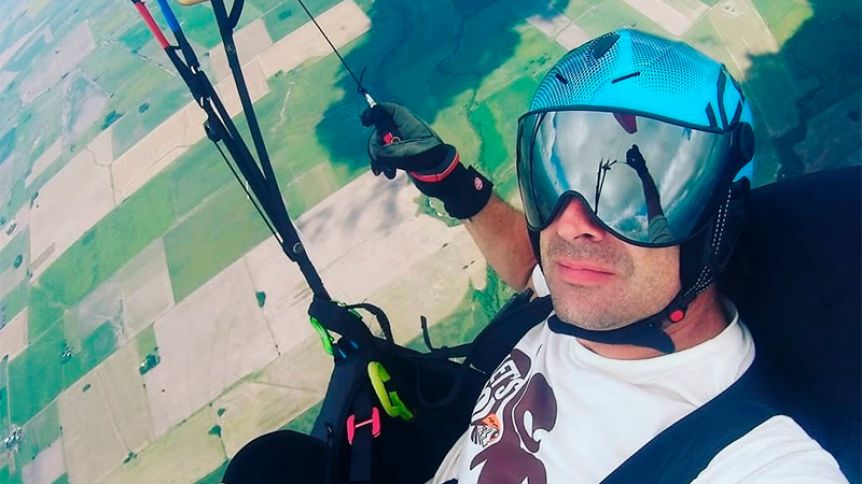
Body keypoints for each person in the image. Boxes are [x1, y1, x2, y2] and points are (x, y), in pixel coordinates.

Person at [363, 29, 848, 482]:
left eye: (630, 203)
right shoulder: (602, 288)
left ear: (719, 221)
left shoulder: (749, 458)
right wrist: (450, 179)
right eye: (555, 180)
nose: (569, 224)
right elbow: (530, 270)